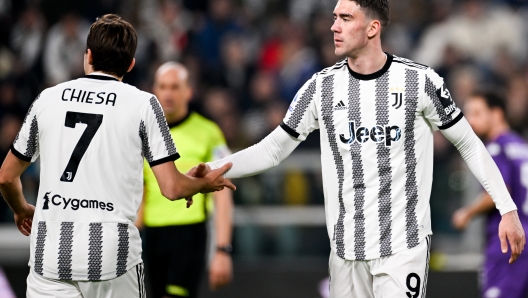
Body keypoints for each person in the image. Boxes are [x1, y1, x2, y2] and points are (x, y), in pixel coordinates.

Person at [188, 1, 525, 297]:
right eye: (335, 17)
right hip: (345, 251)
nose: (334, 26)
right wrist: (216, 168)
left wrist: (506, 209)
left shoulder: (420, 81)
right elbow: (274, 148)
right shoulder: (319, 87)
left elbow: (468, 142)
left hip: (403, 246)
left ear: (372, 28)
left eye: (346, 18)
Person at [0, 14, 235, 298]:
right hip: (112, 255)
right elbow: (172, 188)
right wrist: (202, 183)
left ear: (88, 56)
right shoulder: (143, 104)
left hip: (50, 255)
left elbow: (6, 176)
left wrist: (20, 208)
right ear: (130, 64)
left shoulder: (47, 98)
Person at [137, 62, 233, 298]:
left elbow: (223, 192)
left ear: (188, 91)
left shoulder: (208, 132)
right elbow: (139, 189)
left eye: (175, 87)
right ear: (154, 91)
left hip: (188, 233)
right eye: (162, 87)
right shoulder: (143, 133)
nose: (168, 93)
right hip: (151, 235)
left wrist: (222, 250)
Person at [452, 92, 528, 298]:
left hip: (508, 241)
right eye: (468, 114)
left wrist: (467, 213)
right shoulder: (520, 146)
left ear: (497, 114)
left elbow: (501, 190)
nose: (470, 120)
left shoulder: (495, 148)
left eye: (476, 113)